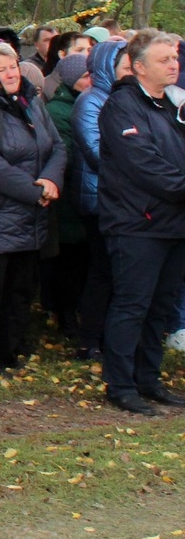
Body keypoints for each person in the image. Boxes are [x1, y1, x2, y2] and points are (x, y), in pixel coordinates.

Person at [0, 41, 66, 373]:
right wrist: (33, 190)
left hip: (32, 213)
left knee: (20, 291)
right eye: (2, 68)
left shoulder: (31, 102)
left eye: (13, 66)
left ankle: (10, 352)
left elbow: (56, 147)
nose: (10, 73)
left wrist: (50, 180)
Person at [96, 31, 185, 416]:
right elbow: (144, 165)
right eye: (164, 59)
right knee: (132, 305)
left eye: (175, 57)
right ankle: (121, 384)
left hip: (174, 223)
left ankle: (149, 378)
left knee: (161, 308)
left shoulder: (170, 107)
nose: (173, 64)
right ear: (139, 65)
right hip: (137, 223)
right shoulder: (122, 107)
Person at [74, 39, 130, 358]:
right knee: (102, 271)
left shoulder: (120, 99)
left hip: (118, 196)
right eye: (123, 67)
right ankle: (89, 340)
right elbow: (95, 152)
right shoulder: (91, 101)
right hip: (97, 197)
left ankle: (105, 335)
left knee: (113, 271)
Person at [44, 51, 93, 344]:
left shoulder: (77, 104)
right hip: (67, 202)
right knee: (67, 264)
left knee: (78, 263)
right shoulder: (60, 111)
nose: (90, 80)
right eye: (85, 76)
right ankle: (65, 315)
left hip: (78, 199)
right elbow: (68, 156)